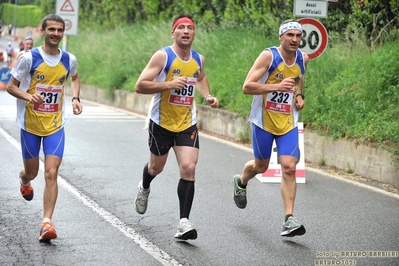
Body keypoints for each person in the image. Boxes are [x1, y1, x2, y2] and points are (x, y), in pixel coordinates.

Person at [134, 13, 219, 240]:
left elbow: (200, 77)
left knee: (189, 168)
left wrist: (207, 95)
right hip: (161, 123)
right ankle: (144, 186)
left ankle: (183, 222)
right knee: (156, 168)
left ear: (194, 33)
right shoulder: (163, 56)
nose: (185, 31)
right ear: (173, 33)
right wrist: (169, 84)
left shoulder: (198, 59)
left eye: (189, 28)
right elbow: (140, 85)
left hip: (186, 123)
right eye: (181, 28)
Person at [6, 14, 82, 242]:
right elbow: (10, 87)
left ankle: (46, 222)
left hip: (55, 125)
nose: (56, 34)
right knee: (33, 172)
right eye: (52, 30)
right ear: (43, 31)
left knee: (51, 173)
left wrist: (76, 98)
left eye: (60, 30)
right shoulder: (29, 58)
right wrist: (28, 96)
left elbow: (75, 78)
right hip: (30, 124)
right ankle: (24, 180)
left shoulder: (69, 59)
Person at [232, 19, 309, 237]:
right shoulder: (269, 56)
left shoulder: (303, 58)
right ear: (281, 37)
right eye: (290, 35)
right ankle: (241, 181)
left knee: (289, 167)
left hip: (287, 122)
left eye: (298, 36)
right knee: (261, 166)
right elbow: (247, 87)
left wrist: (299, 95)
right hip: (263, 121)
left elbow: (298, 79)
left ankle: (289, 220)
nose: (294, 39)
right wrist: (276, 86)